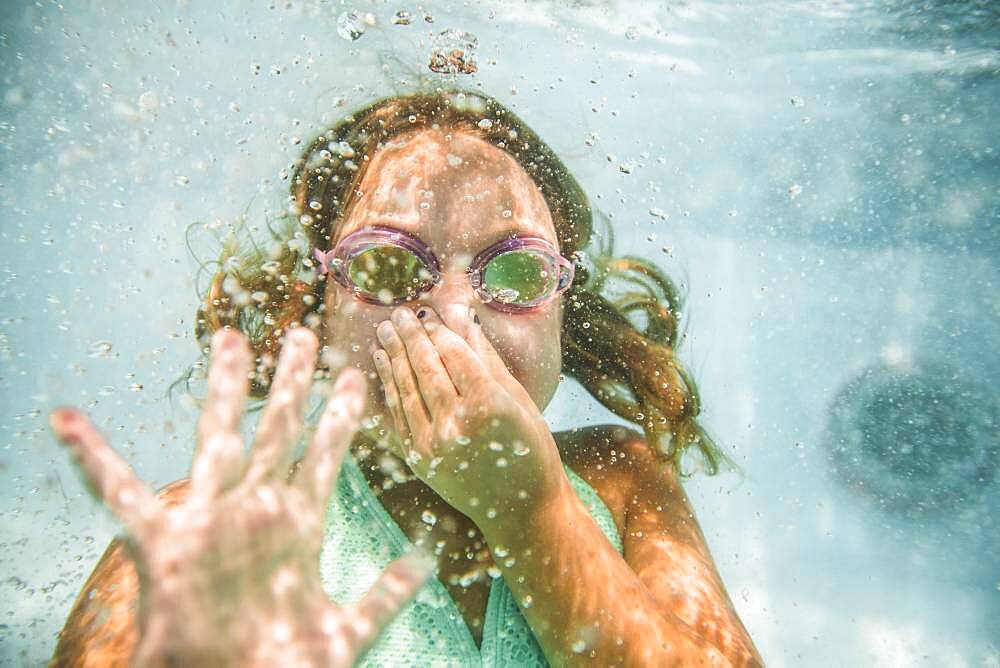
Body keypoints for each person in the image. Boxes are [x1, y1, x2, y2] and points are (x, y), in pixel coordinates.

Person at [49, 87, 764, 666]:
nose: (454, 315)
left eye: (515, 271)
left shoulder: (620, 479)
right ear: (317, 310)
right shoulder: (202, 529)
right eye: (388, 267)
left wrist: (533, 510)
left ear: (561, 316)